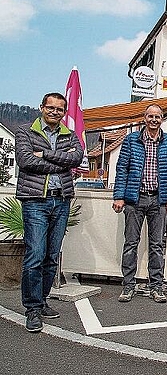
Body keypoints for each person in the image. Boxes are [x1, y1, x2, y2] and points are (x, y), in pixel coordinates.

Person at [15, 92, 84, 332]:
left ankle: (42, 301)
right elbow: (25, 161)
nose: (55, 112)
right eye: (51, 108)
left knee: (51, 256)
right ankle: (32, 309)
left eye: (59, 109)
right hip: (35, 200)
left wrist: (44, 154)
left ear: (64, 112)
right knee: (35, 254)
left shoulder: (69, 134)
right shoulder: (25, 131)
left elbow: (76, 158)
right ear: (42, 107)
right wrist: (60, 162)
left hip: (61, 200)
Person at [112, 104, 167, 304]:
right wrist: (119, 196)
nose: (154, 119)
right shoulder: (131, 139)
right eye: (150, 116)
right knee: (131, 243)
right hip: (134, 199)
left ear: (162, 119)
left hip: (159, 199)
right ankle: (128, 285)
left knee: (157, 245)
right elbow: (121, 168)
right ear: (144, 118)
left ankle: (156, 286)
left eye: (157, 116)